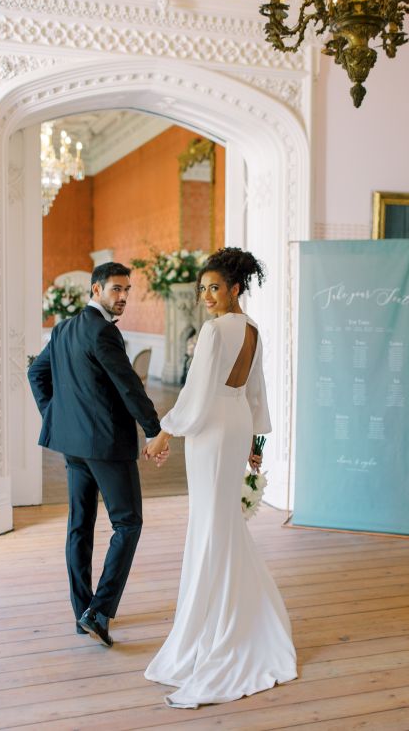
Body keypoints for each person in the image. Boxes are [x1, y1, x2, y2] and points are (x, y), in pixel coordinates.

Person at [143, 247, 297, 708]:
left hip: (211, 431)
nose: (207, 296)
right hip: (236, 425)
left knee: (211, 524)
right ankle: (239, 616)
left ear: (235, 288)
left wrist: (163, 432)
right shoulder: (252, 329)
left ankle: (215, 628)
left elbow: (197, 392)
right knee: (222, 521)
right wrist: (256, 441)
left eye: (215, 287)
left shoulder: (214, 331)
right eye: (203, 289)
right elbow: (255, 391)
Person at [28, 262, 169, 647]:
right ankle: (99, 611)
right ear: (96, 291)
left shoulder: (63, 329)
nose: (123, 296)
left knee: (80, 526)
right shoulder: (103, 332)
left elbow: (36, 375)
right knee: (128, 524)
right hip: (106, 446)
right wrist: (155, 430)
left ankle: (82, 614)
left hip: (74, 446)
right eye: (116, 290)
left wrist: (56, 416)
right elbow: (129, 388)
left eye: (127, 290)